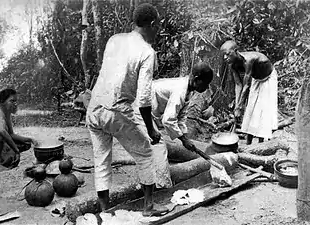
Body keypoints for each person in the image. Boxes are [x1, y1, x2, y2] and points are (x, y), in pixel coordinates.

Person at [86, 3, 166, 216]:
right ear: (151, 24)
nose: (157, 30)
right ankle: (148, 207)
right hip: (116, 111)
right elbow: (144, 100)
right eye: (157, 26)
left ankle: (104, 212)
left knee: (101, 160)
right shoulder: (147, 52)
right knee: (146, 152)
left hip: (94, 109)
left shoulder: (115, 40)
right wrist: (150, 130)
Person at [133, 62, 214, 189]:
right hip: (141, 108)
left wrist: (185, 137)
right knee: (158, 144)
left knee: (152, 145)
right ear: (197, 79)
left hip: (149, 110)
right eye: (206, 83)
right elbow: (168, 120)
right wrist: (183, 139)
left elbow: (181, 116)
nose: (207, 87)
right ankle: (162, 185)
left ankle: (148, 182)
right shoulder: (180, 90)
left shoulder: (189, 90)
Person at [220, 40, 278, 145]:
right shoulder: (232, 65)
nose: (225, 58)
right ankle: (248, 143)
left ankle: (261, 143)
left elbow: (246, 85)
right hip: (257, 79)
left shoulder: (248, 60)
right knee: (251, 108)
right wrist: (237, 106)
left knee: (262, 109)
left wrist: (239, 107)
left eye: (228, 54)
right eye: (224, 55)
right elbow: (238, 85)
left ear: (236, 51)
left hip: (268, 78)